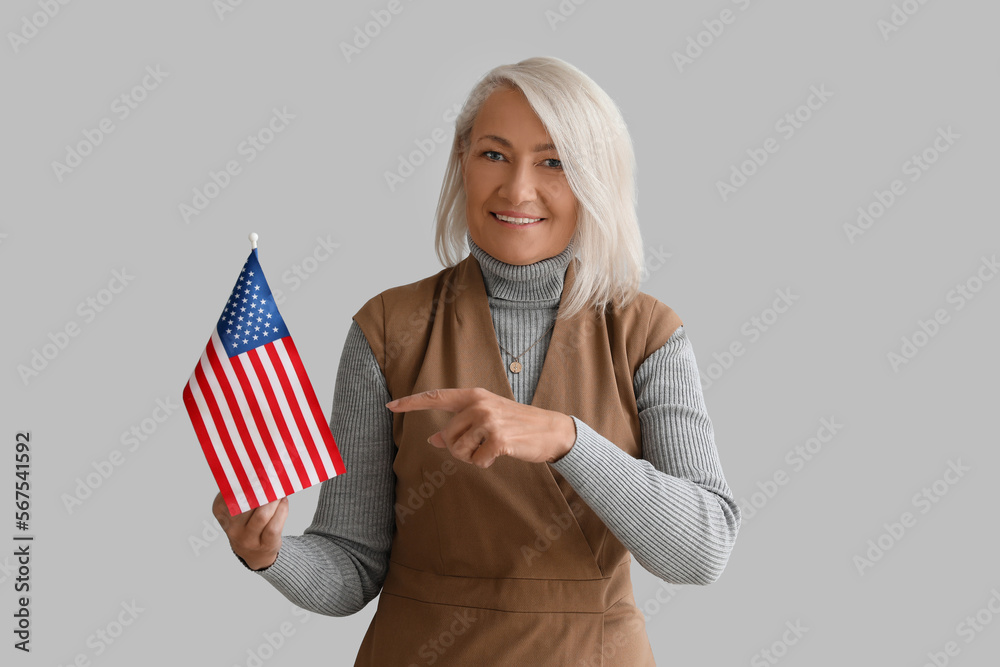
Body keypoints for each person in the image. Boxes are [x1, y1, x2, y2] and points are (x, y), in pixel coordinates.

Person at [213, 55, 741, 665]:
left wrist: (566, 439)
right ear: (462, 161)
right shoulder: (386, 330)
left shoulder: (646, 333)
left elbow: (702, 551)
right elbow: (351, 569)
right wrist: (270, 554)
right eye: (494, 154)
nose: (518, 189)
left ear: (595, 178)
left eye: (554, 162)